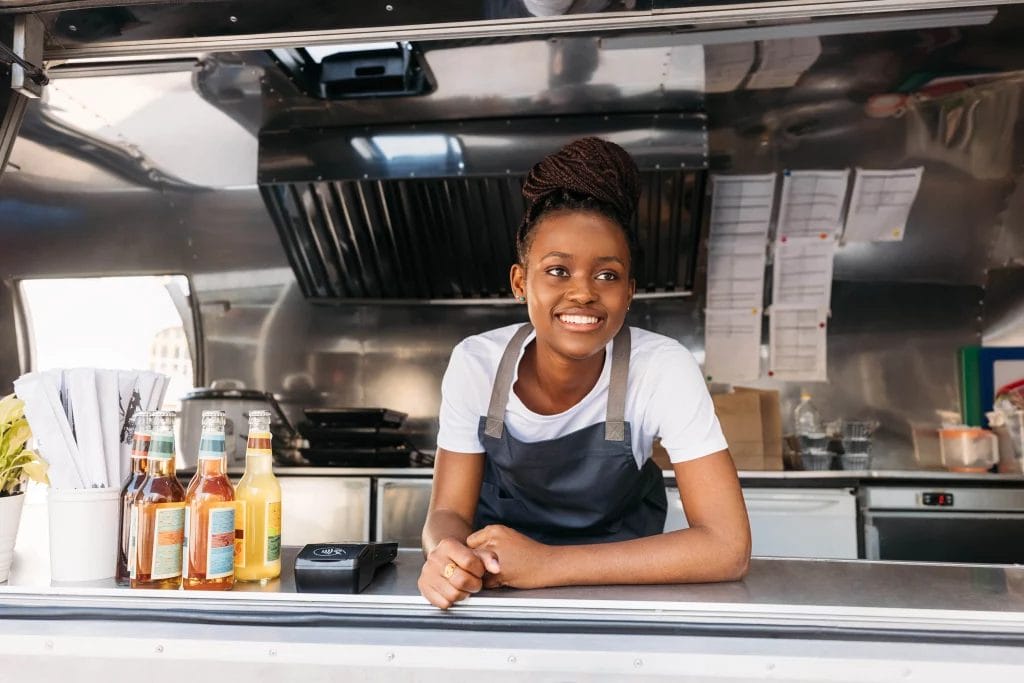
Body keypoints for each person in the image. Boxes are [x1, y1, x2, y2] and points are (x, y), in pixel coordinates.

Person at [418, 137, 750, 609]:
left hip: (621, 599)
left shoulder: (660, 368)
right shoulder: (477, 363)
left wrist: (548, 565)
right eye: (557, 271)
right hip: (496, 595)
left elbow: (727, 548)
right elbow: (448, 512)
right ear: (520, 282)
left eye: (607, 275)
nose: (583, 293)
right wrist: (445, 556)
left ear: (630, 292)